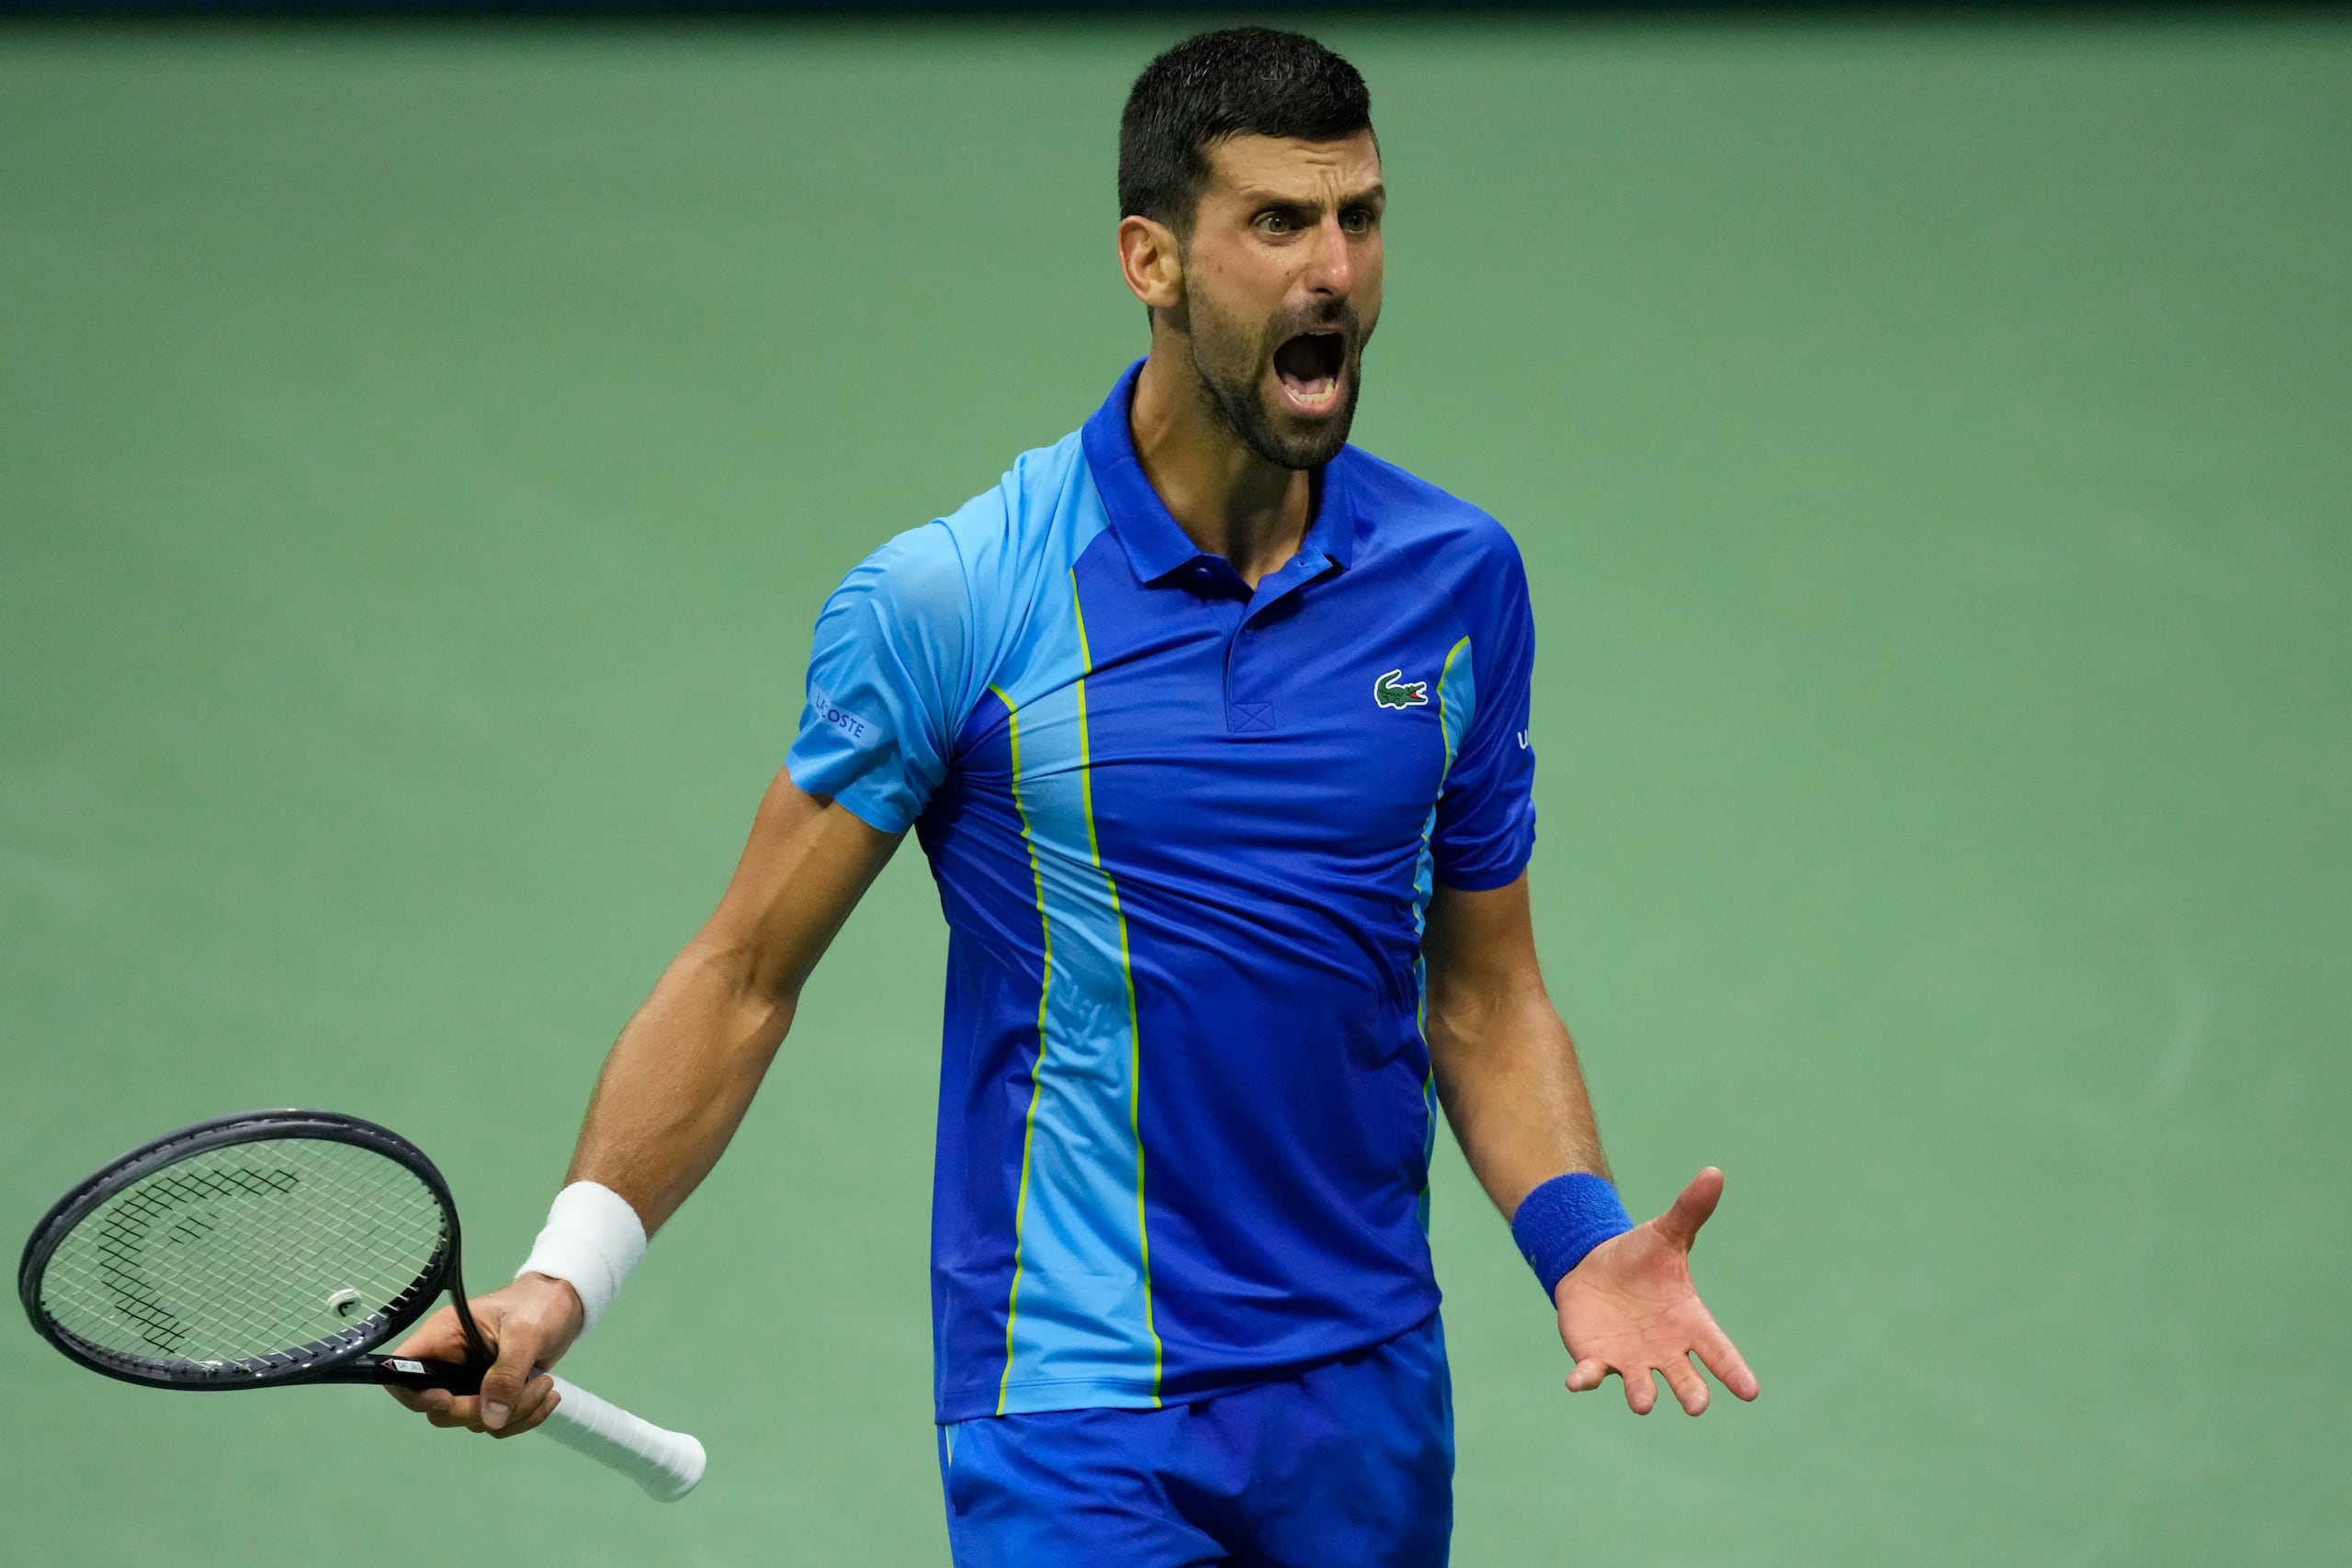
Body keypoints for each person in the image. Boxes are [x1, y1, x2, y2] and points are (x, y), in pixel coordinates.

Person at [388, 26, 1757, 1566]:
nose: (1334, 273)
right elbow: (742, 974)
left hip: (1366, 1389)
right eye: (1277, 223)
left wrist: (1579, 1242)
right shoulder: (959, 597)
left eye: (1360, 219)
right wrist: (560, 1283)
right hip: (1074, 1401)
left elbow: (1487, 999)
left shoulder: (1458, 583)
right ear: (1150, 259)